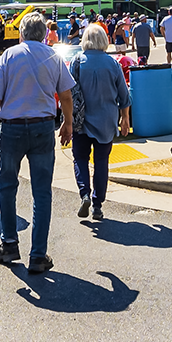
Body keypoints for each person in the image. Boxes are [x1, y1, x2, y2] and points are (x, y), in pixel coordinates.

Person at [0, 13, 73, 273]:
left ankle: (9, 243)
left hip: (12, 128)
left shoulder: (9, 55)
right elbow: (66, 95)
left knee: (7, 185)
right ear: (44, 34)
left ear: (21, 33)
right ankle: (38, 254)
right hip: (43, 126)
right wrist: (67, 123)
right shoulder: (53, 56)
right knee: (42, 192)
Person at [68, 24, 129, 221]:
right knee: (101, 161)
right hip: (106, 121)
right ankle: (97, 205)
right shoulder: (113, 63)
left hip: (81, 120)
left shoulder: (77, 61)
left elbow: (67, 93)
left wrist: (66, 120)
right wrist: (125, 118)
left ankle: (84, 193)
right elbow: (124, 95)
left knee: (80, 158)